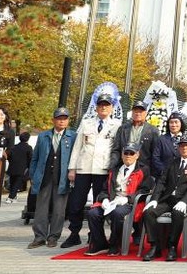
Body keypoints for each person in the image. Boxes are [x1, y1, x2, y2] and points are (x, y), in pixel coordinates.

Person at [64, 92, 121, 248]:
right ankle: (74, 234)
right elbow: (77, 147)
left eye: (106, 105)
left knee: (99, 203)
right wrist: (72, 168)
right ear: (96, 107)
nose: (103, 108)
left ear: (112, 108)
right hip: (84, 167)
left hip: (103, 169)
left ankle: (94, 234)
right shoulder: (86, 123)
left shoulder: (116, 125)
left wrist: (113, 169)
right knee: (76, 203)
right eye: (101, 105)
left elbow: (116, 149)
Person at [142, 134, 187, 262]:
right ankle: (155, 246)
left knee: (177, 213)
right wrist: (154, 199)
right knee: (149, 212)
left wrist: (184, 201)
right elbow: (161, 182)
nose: (184, 148)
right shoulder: (171, 163)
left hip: (183, 201)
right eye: (181, 145)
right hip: (168, 199)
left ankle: (172, 246)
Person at [84, 142, 152, 256]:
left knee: (117, 213)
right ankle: (100, 244)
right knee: (92, 213)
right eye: (126, 153)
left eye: (131, 153)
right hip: (112, 200)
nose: (128, 156)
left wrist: (128, 199)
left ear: (137, 155)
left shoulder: (143, 170)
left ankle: (114, 244)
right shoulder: (115, 169)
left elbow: (145, 190)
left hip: (129, 203)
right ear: (122, 155)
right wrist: (105, 199)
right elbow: (105, 189)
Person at [27, 107, 77, 249]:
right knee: (41, 208)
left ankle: (54, 237)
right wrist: (33, 174)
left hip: (62, 178)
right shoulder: (43, 136)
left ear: (68, 121)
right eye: (59, 118)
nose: (62, 121)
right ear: (53, 120)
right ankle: (39, 237)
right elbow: (35, 157)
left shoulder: (73, 136)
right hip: (44, 176)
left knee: (59, 210)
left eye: (64, 119)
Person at [109, 100, 160, 171]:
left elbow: (155, 154)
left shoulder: (153, 131)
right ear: (132, 112)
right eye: (136, 111)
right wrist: (112, 166)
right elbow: (116, 149)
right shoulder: (123, 129)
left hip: (143, 169)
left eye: (140, 111)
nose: (138, 113)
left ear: (146, 113)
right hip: (123, 167)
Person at [152, 111, 186, 179]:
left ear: (181, 124)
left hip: (183, 176)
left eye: (176, 122)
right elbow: (155, 158)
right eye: (171, 122)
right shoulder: (161, 139)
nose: (173, 125)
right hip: (164, 176)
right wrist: (165, 172)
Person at [6, 131, 33, 203]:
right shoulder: (28, 147)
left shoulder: (14, 147)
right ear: (28, 139)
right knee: (17, 184)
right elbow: (30, 158)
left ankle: (13, 196)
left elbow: (9, 156)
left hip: (12, 167)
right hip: (22, 168)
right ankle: (10, 197)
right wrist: (29, 168)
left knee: (12, 183)